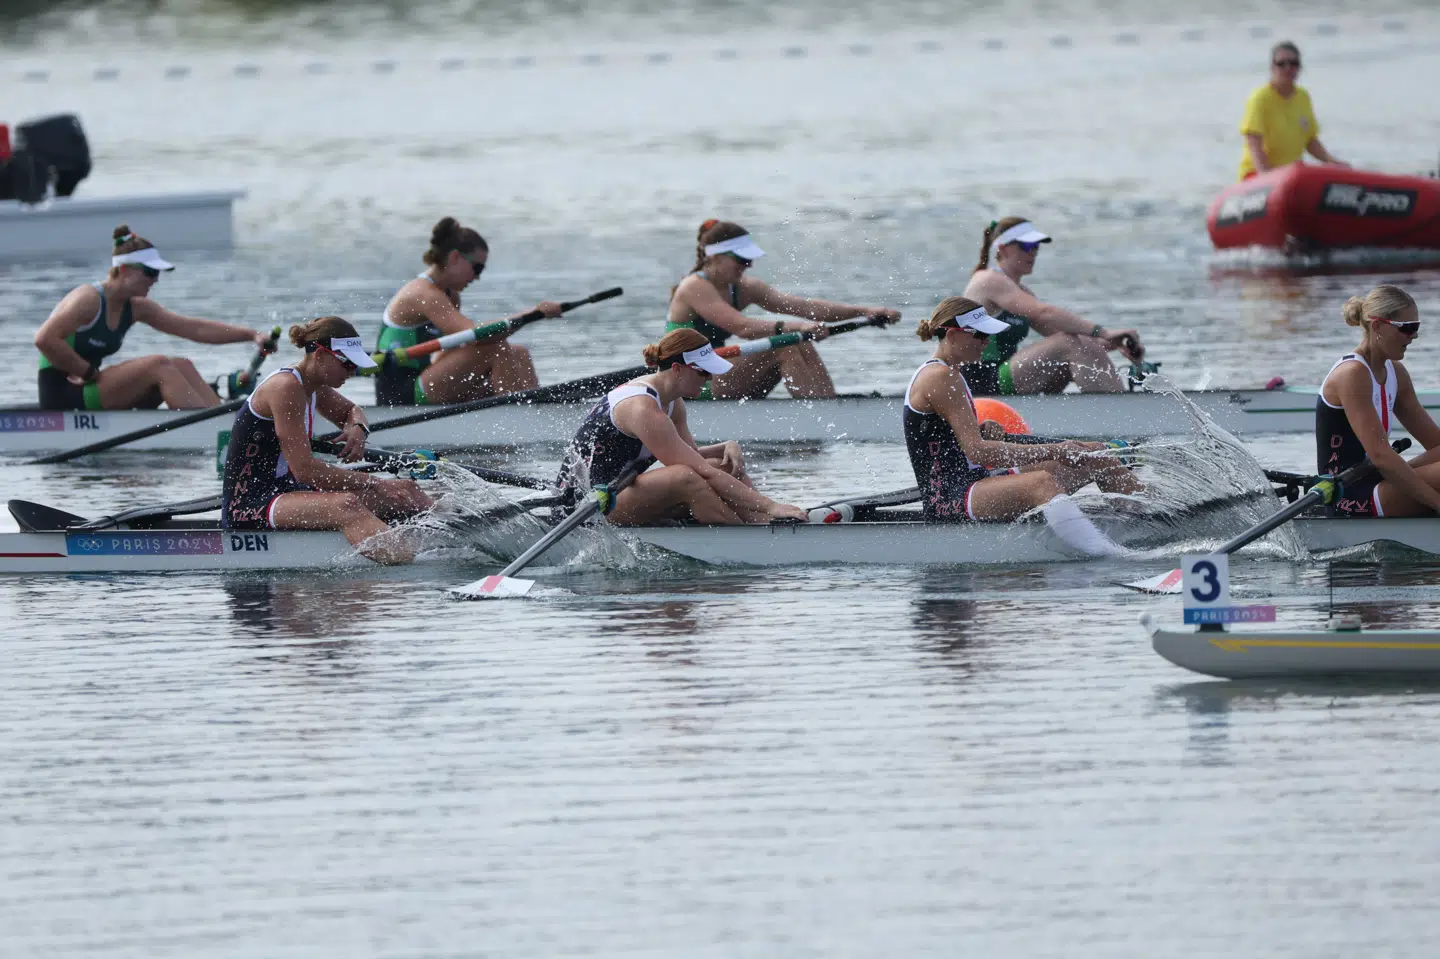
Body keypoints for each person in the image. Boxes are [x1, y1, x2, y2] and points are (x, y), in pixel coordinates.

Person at [904, 297, 1143, 556]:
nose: (987, 342)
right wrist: (1054, 450)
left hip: (976, 481)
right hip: (951, 499)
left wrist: (981, 427)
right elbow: (979, 453)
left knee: (1094, 453)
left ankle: (1148, 522)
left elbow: (952, 438)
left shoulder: (950, 372)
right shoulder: (941, 377)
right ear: (952, 335)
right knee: (1041, 483)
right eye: (981, 335)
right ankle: (1109, 554)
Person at [222, 316, 433, 564]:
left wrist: (357, 427)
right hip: (252, 502)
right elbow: (306, 471)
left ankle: (461, 542)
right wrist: (375, 482)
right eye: (347, 364)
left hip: (291, 491)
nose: (352, 372)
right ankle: (414, 571)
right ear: (321, 355)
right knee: (347, 505)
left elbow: (352, 411)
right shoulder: (286, 388)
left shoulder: (314, 385)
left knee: (407, 491)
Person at [558, 328, 808, 524]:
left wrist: (726, 446)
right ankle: (751, 536)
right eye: (703, 372)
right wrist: (770, 503)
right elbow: (697, 471)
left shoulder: (672, 402)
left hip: (624, 491)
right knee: (685, 478)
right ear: (677, 369)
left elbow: (692, 457)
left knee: (723, 465)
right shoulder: (643, 409)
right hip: (590, 506)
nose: (710, 378)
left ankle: (764, 524)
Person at [33, 225, 275, 411]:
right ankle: (210, 430)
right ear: (125, 270)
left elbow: (195, 329)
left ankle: (221, 420)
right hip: (63, 393)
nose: (155, 280)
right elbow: (44, 339)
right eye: (150, 272)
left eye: (157, 273)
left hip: (87, 387)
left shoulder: (136, 307)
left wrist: (251, 335)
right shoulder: (88, 299)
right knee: (158, 365)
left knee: (181, 364)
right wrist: (87, 372)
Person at [666, 220, 900, 399]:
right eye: (742, 259)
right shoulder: (694, 287)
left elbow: (807, 308)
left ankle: (827, 404)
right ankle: (824, 414)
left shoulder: (744, 287)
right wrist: (798, 327)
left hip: (717, 371)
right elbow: (743, 327)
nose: (748, 266)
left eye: (750, 260)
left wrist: (866, 310)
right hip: (689, 380)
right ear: (715, 257)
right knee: (786, 343)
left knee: (799, 341)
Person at [376, 216, 562, 406]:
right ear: (455, 257)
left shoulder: (451, 296)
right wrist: (532, 313)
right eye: (477, 268)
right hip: (400, 392)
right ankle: (520, 420)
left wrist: (482, 383)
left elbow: (452, 350)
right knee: (496, 348)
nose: (477, 277)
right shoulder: (424, 294)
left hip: (425, 379)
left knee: (518, 352)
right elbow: (476, 336)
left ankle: (535, 409)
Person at [961, 217, 1144, 395]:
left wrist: (1114, 343)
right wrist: (1103, 331)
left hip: (1001, 377)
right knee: (1068, 343)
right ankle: (1119, 412)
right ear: (1003, 248)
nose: (1032, 253)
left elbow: (1070, 338)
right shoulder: (988, 279)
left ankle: (1112, 410)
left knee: (1077, 344)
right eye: (1026, 246)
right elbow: (1045, 313)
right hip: (978, 380)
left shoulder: (1022, 293)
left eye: (1036, 247)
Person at [1316, 284, 1440, 517]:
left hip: (1378, 477)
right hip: (1349, 495)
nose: (1414, 336)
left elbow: (1436, 444)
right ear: (1378, 326)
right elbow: (1380, 456)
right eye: (1407, 328)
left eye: (1416, 327)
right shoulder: (1351, 374)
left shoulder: (1396, 373)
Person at [1238, 41, 1347, 180]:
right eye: (1281, 64)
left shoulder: (1303, 97)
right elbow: (1254, 144)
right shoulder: (1259, 99)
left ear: (1299, 68)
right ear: (1272, 67)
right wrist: (1267, 178)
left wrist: (1332, 162)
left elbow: (1310, 141)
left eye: (1293, 64)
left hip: (1290, 175)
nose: (1288, 68)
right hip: (1257, 176)